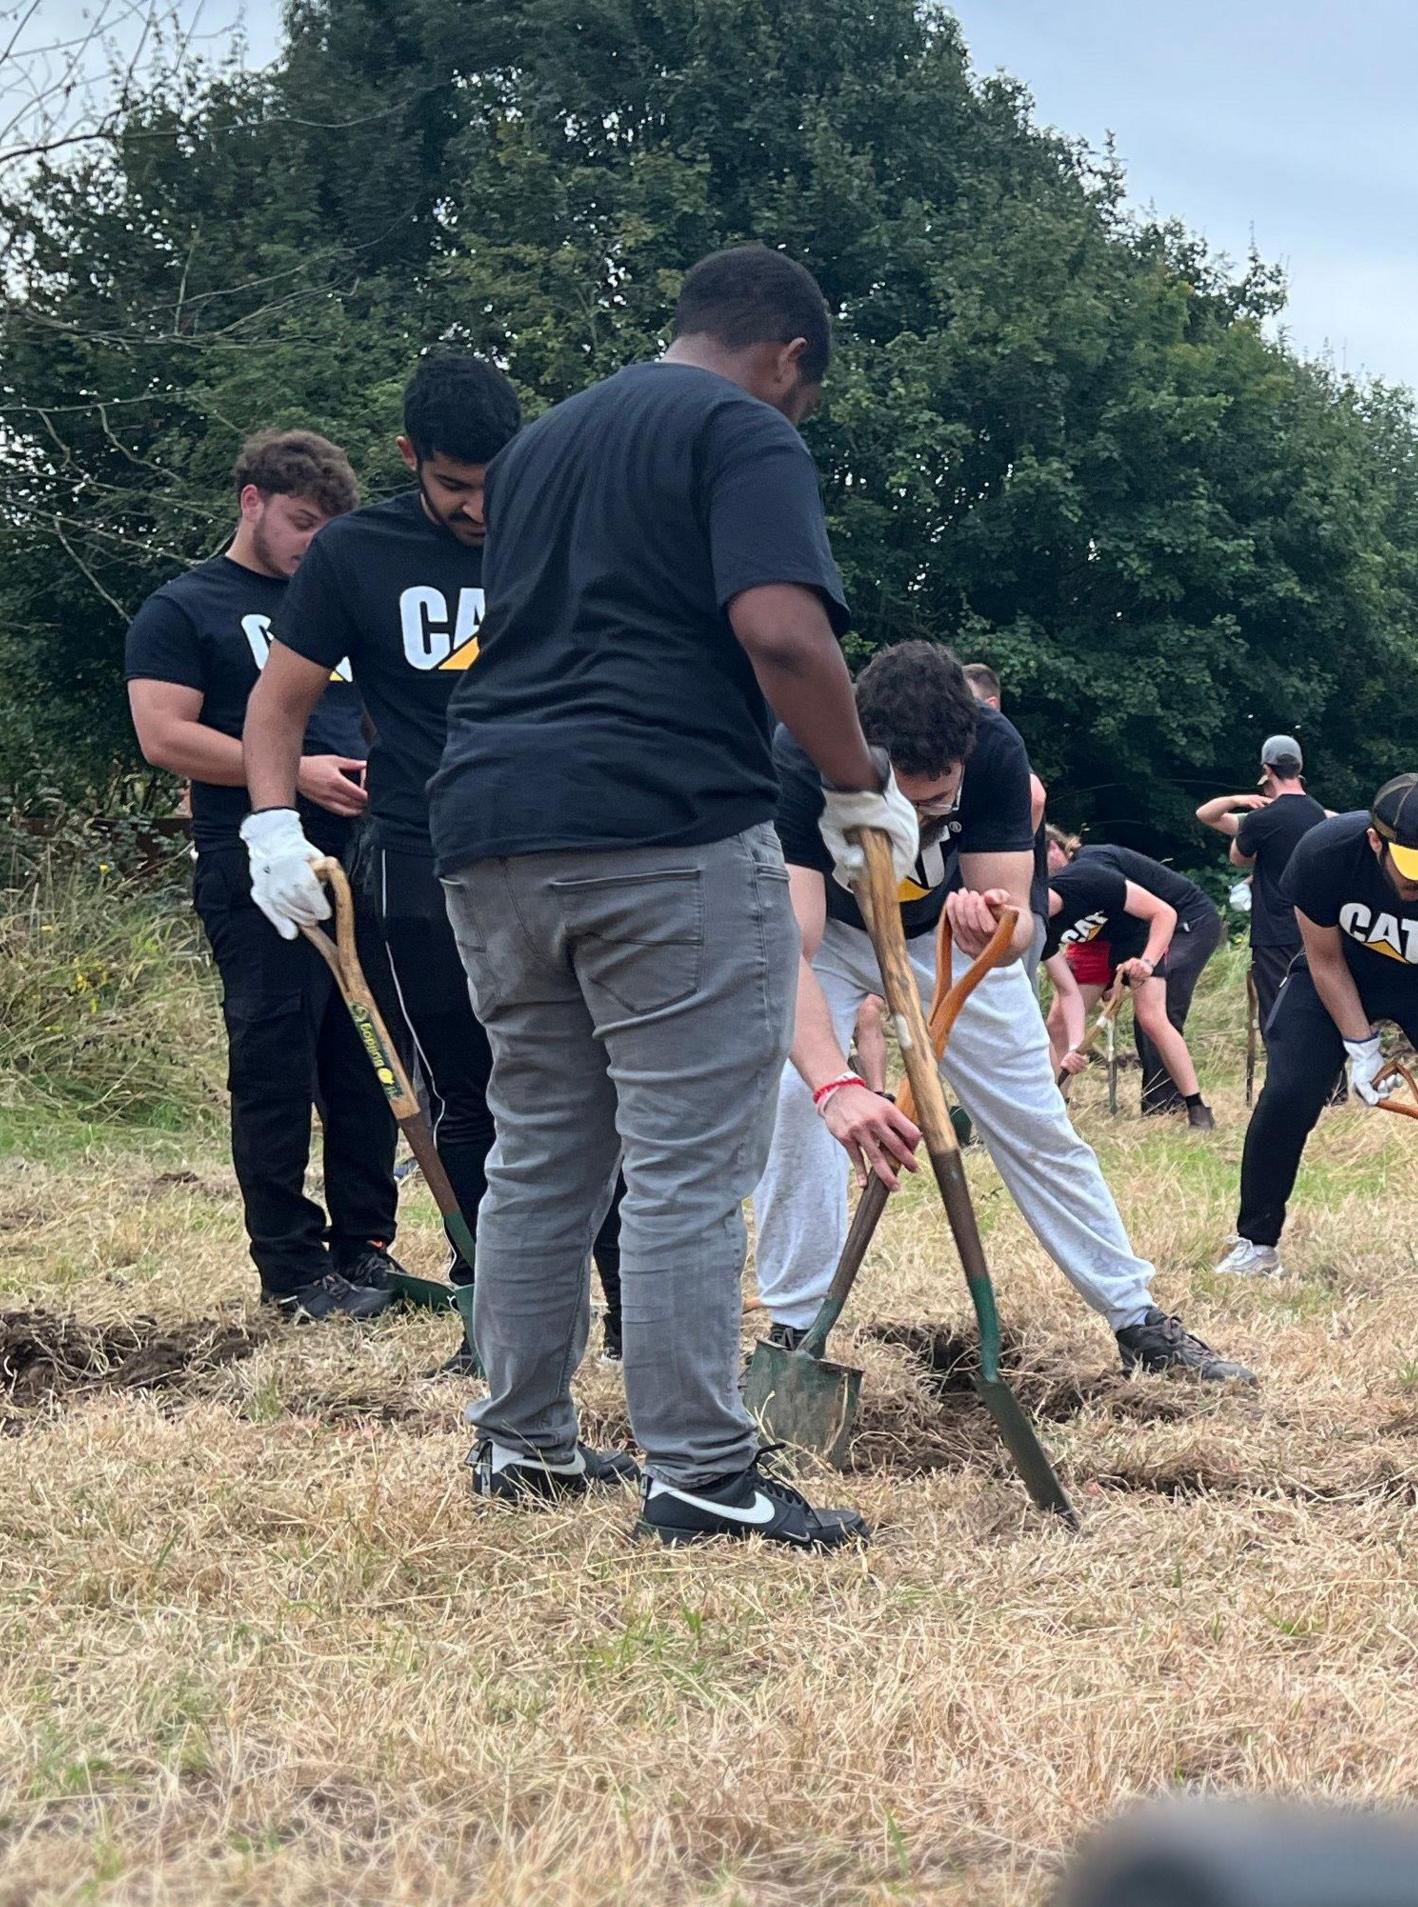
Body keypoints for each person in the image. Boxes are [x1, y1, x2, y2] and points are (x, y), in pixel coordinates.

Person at [265, 243, 920, 1546]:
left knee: (544, 1144)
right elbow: (784, 632)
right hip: (662, 823)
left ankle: (522, 1442)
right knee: (684, 1158)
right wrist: (857, 787)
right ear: (790, 357)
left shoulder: (545, 446)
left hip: (487, 827)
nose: (797, 414)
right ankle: (699, 1475)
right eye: (805, 394)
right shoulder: (744, 429)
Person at [237, 352, 621, 1367]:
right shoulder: (356, 555)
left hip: (565, 847)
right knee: (462, 1091)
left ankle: (631, 1310)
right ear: (410, 458)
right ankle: (493, 1314)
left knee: (599, 1083)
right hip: (419, 859)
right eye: (455, 487)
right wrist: (270, 824)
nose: (480, 509)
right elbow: (277, 702)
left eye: (496, 483)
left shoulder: (576, 537)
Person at [749, 643, 1250, 1382]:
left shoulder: (994, 749)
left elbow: (1017, 922)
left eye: (938, 803)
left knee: (1036, 1120)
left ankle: (1135, 1316)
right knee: (795, 1104)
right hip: (831, 933)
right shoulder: (803, 752)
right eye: (904, 802)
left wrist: (990, 923)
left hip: (950, 944)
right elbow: (789, 943)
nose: (924, 820)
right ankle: (794, 1331)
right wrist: (836, 1085)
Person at [127, 428, 398, 1323]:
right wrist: (287, 773)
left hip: (361, 867)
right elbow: (164, 737)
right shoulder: (184, 608)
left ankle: (365, 1248)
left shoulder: (342, 606)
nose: (311, 543)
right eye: (299, 522)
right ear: (251, 502)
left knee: (366, 1063)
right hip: (253, 867)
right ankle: (290, 1267)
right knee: (278, 1065)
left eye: (327, 528)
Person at [1218, 775, 1418, 1292]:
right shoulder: (1324, 853)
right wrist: (1361, 1048)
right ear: (1376, 842)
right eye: (1412, 870)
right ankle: (1256, 1242)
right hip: (1341, 976)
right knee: (1290, 1089)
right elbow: (1325, 959)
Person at [1041, 831, 1221, 1126]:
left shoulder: (1091, 872)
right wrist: (1076, 1045)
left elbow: (1162, 913)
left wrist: (1147, 963)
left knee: (1151, 1015)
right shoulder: (1041, 917)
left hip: (1148, 925)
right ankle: (1055, 1113)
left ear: (1055, 848)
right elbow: (1068, 990)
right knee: (1057, 1022)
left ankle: (1196, 1106)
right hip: (1100, 936)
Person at [1199, 733, 1325, 1046]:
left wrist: (1244, 805)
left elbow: (1238, 858)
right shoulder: (1319, 815)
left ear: (1267, 771)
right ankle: (1332, 1090)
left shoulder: (1261, 818)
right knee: (1320, 1004)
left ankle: (1283, 1087)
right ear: (1299, 767)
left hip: (1275, 929)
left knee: (1277, 1011)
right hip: (1316, 927)